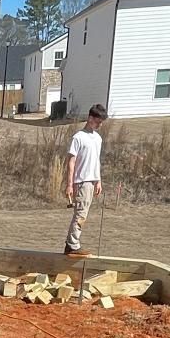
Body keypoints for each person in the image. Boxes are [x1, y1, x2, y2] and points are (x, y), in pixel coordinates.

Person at [64, 105, 105, 254]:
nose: (99, 125)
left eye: (101, 122)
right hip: (81, 181)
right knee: (80, 213)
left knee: (84, 213)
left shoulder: (98, 139)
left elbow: (96, 160)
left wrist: (98, 180)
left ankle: (72, 243)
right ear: (90, 118)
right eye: (98, 121)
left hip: (92, 181)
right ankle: (72, 244)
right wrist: (70, 184)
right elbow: (71, 161)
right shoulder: (78, 137)